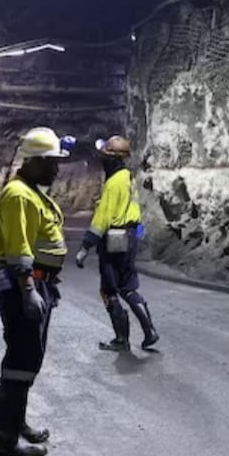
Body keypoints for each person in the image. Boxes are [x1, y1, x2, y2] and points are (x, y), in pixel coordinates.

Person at [0, 126, 73, 456]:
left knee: (28, 360)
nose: (56, 169)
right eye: (52, 162)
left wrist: (47, 283)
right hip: (26, 285)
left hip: (39, 283)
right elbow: (20, 248)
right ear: (35, 161)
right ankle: (5, 442)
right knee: (20, 362)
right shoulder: (19, 195)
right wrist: (28, 290)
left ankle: (16, 422)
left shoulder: (32, 192)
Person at [75, 135, 159, 351]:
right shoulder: (129, 178)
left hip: (114, 238)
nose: (103, 159)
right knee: (128, 286)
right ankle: (150, 331)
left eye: (106, 155)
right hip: (130, 236)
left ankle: (122, 339)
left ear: (113, 158)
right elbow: (136, 211)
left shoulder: (113, 183)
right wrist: (136, 237)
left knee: (109, 290)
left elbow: (102, 217)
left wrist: (86, 246)